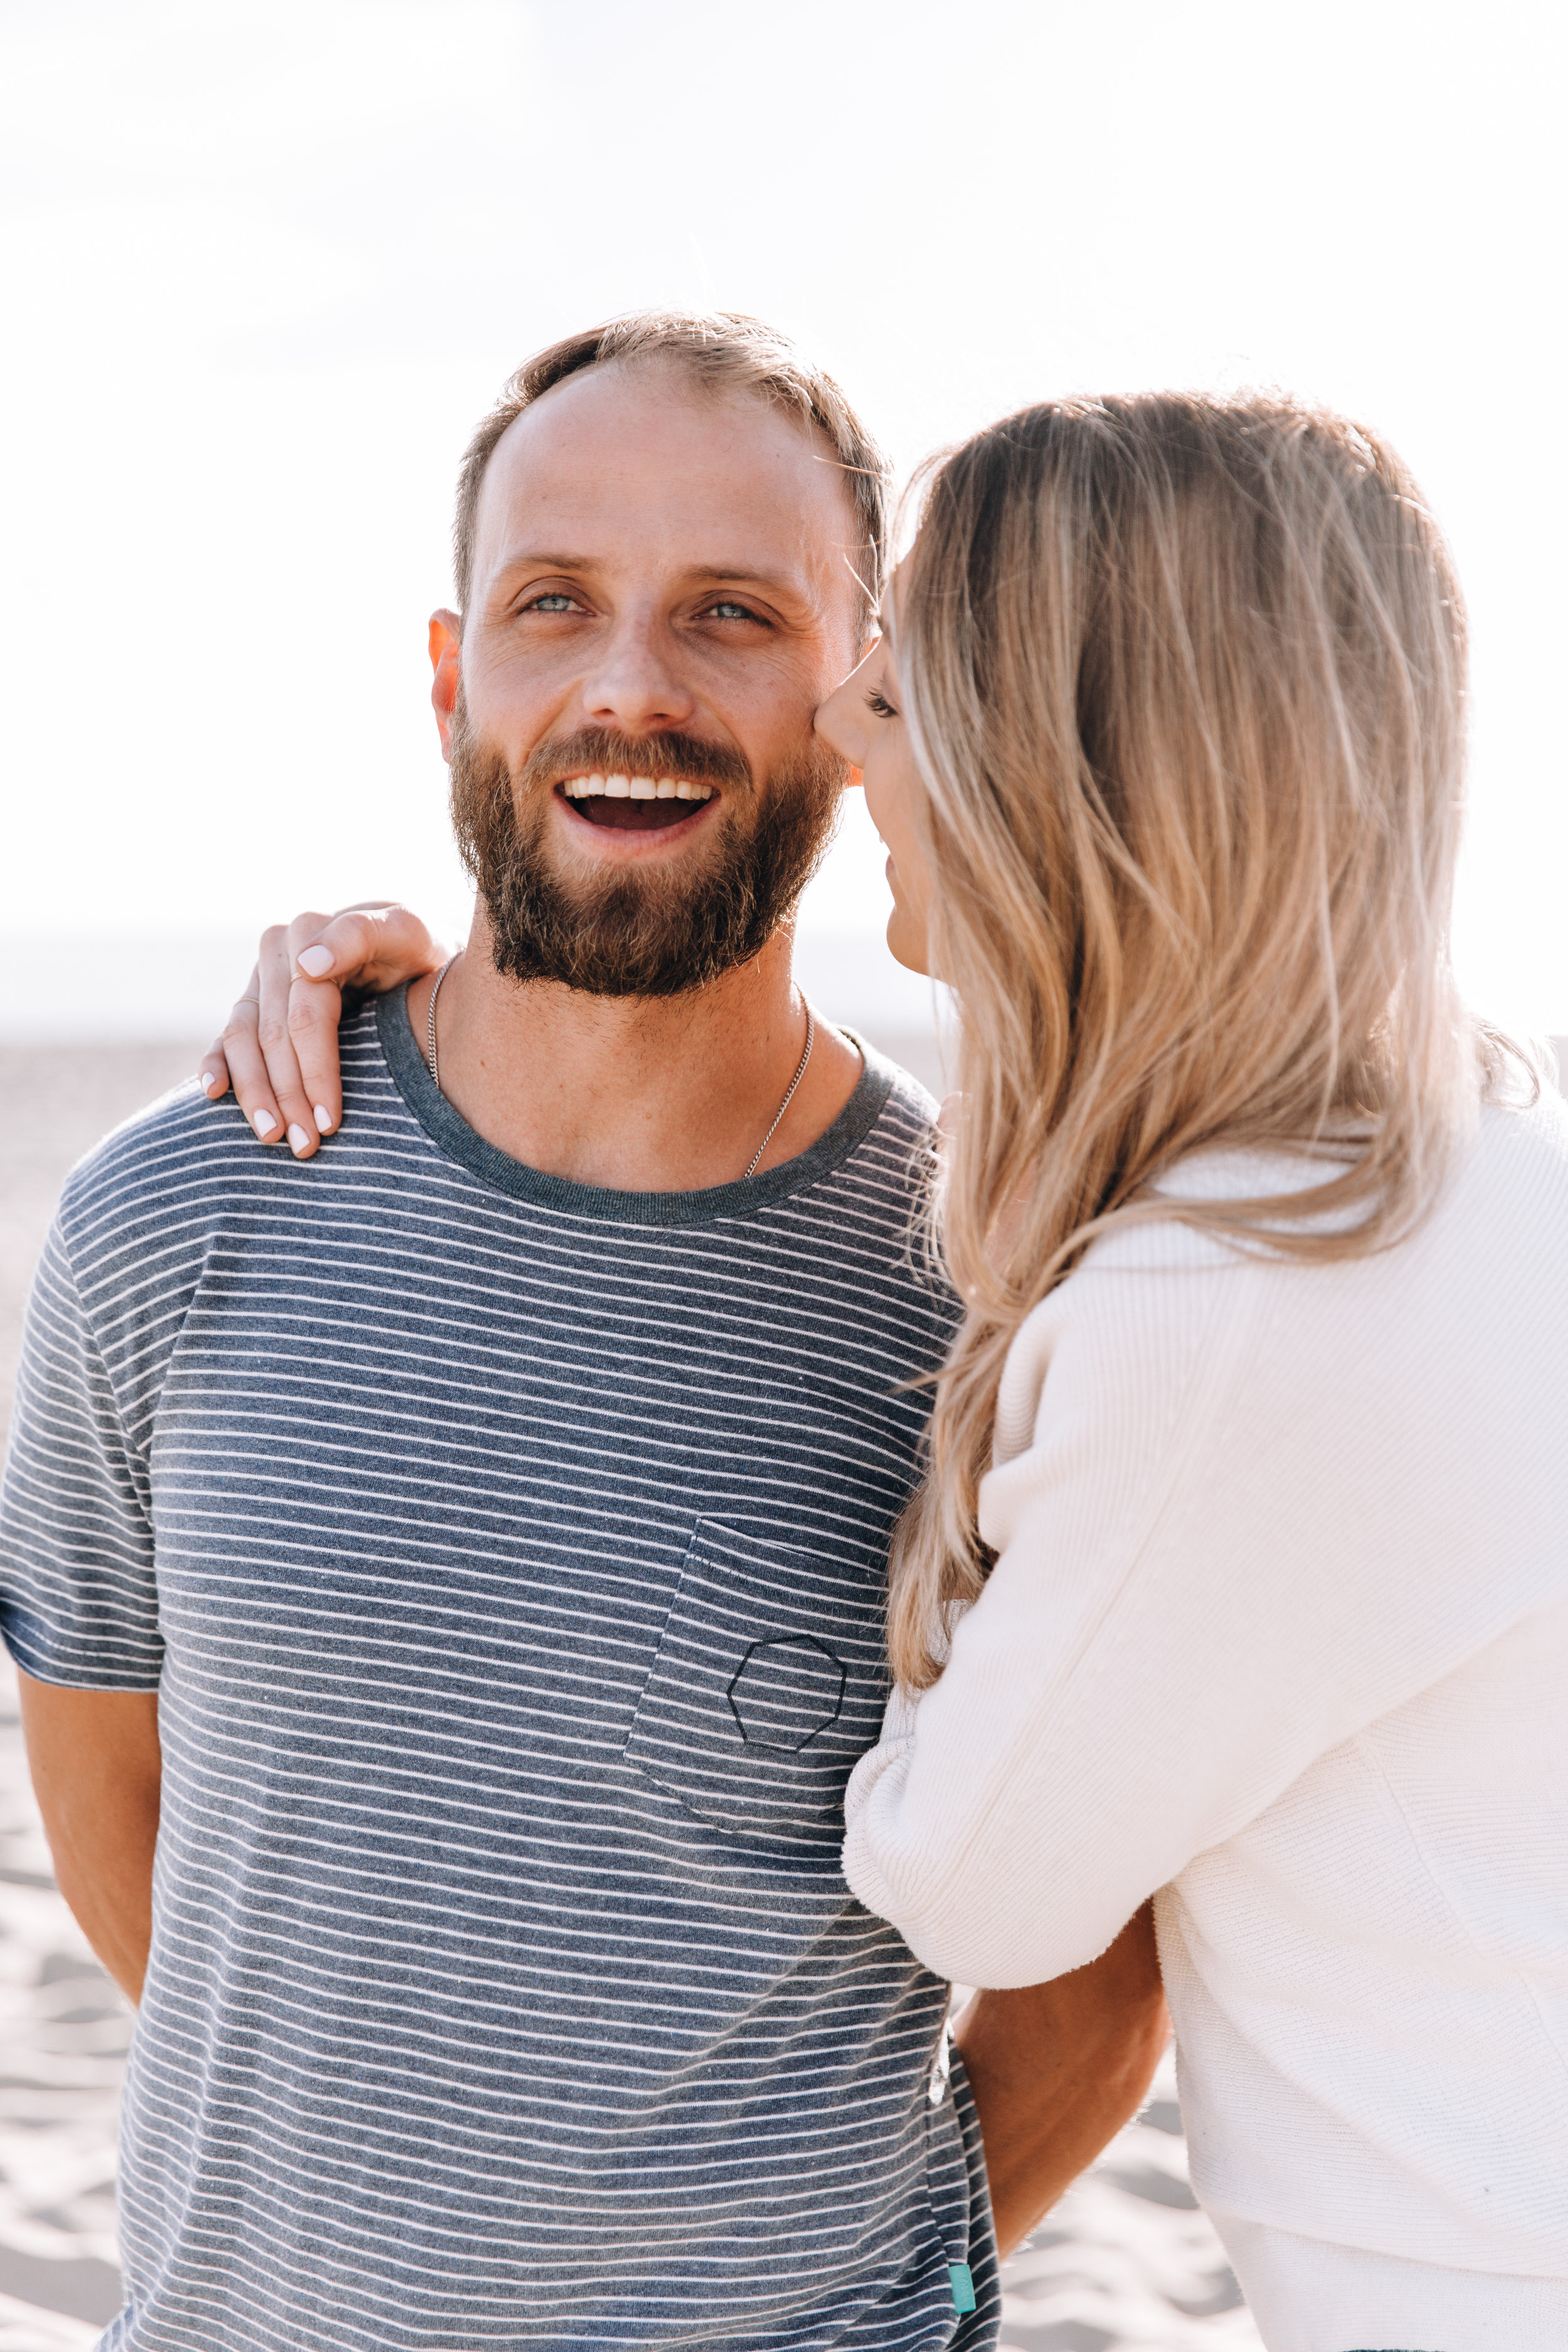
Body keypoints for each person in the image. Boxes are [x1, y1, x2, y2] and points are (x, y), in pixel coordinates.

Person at [270, 389, 1568, 2352]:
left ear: (1072, 758)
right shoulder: (1484, 1172)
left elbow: (971, 1896)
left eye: (896, 681)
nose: (853, 738)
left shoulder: (1214, 1301)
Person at [0, 314, 1167, 2352]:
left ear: (863, 700)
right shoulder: (170, 1219)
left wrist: (886, 2290)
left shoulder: (1001, 1299)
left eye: (731, 613)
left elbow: (1104, 1972)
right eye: (557, 605)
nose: (632, 683)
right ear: (457, 677)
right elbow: (117, 1796)